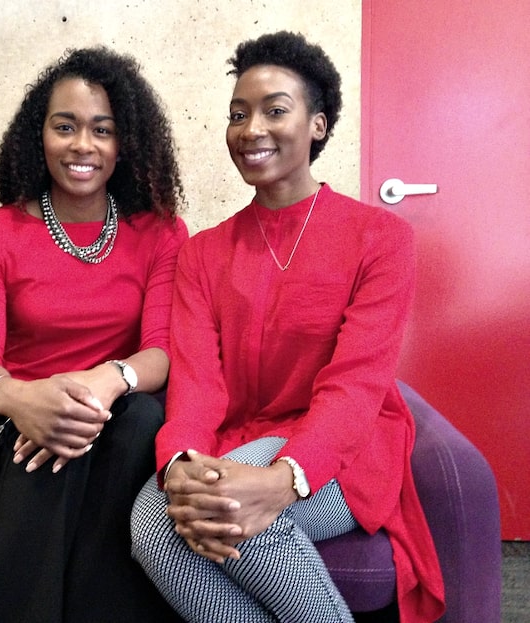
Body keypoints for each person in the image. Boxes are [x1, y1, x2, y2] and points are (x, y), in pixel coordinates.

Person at [130, 31, 446, 623]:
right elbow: (197, 385)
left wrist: (284, 479)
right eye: (237, 114)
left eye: (275, 111)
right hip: (234, 440)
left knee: (225, 515)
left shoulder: (380, 239)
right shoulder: (202, 254)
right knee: (151, 525)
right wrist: (180, 463)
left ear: (318, 125)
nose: (251, 129)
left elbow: (356, 385)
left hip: (346, 448)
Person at [0, 46, 188, 623]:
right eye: (66, 127)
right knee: (51, 444)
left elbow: (162, 347)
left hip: (119, 416)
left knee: (137, 419)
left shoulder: (160, 231)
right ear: (40, 136)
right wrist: (23, 399)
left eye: (102, 130)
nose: (82, 145)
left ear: (124, 144)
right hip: (17, 426)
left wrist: (102, 383)